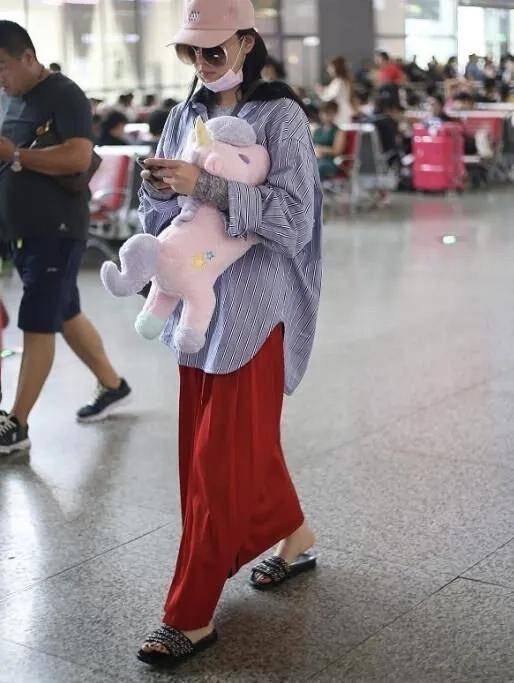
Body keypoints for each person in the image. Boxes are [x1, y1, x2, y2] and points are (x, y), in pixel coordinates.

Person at [136, 0, 322, 668]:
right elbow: (155, 213)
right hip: (198, 311)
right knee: (217, 446)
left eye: (213, 50)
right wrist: (161, 190)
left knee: (216, 463)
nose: (201, 63)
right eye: (191, 51)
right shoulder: (181, 114)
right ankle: (295, 535)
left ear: (247, 41)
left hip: (255, 312)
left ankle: (189, 615)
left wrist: (205, 186)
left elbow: (295, 221)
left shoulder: (281, 116)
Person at [0, 21, 131, 454]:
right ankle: (113, 384)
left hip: (56, 227)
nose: (0, 79)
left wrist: (16, 155)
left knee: (39, 318)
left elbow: (77, 156)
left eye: (2, 67)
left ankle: (17, 423)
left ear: (28, 57)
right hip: (22, 228)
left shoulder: (64, 94)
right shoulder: (11, 97)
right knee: (66, 311)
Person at [317, 56, 354, 128]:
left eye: (330, 67)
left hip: (340, 111)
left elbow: (330, 97)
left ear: (335, 68)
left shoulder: (339, 81)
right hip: (342, 110)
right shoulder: (343, 80)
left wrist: (321, 92)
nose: (328, 69)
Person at [313, 100, 345, 179]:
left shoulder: (338, 131)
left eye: (329, 113)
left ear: (335, 114)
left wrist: (321, 150)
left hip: (330, 162)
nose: (325, 115)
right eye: (323, 112)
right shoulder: (317, 130)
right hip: (316, 158)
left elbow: (337, 151)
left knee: (316, 167)